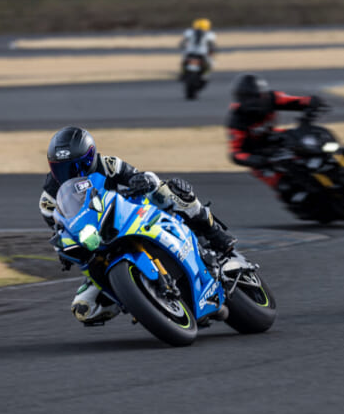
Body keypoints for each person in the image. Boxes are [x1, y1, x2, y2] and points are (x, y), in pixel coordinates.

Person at [39, 126, 236, 325]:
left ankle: (214, 233)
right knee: (84, 308)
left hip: (126, 216)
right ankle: (141, 301)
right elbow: (61, 230)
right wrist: (63, 249)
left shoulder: (108, 164)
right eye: (61, 169)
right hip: (97, 241)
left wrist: (140, 181)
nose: (72, 173)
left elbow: (136, 176)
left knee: (165, 189)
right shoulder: (48, 199)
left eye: (79, 165)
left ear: (91, 155)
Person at [226, 73, 328, 198]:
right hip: (259, 154)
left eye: (257, 96)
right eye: (248, 98)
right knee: (283, 186)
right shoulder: (236, 121)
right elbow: (236, 152)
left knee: (310, 140)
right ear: (240, 99)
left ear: (263, 93)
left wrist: (311, 102)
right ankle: (300, 202)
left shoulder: (272, 98)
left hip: (274, 137)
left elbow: (294, 101)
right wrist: (253, 159)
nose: (253, 101)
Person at [179, 18, 216, 85]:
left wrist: (183, 48)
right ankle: (205, 75)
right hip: (202, 53)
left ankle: (183, 73)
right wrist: (212, 52)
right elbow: (211, 46)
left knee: (183, 61)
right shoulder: (210, 34)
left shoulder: (189, 32)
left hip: (190, 52)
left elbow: (182, 43)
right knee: (210, 63)